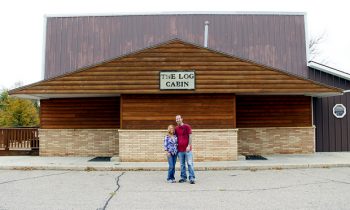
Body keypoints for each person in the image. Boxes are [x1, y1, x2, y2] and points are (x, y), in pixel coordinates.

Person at [175, 115, 196, 184]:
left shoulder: (187, 126)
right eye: (176, 119)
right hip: (180, 150)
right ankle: (183, 177)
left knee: (190, 163)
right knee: (182, 165)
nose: (178, 120)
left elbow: (190, 136)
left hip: (187, 149)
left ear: (182, 119)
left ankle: (192, 178)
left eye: (179, 118)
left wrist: (189, 145)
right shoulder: (176, 128)